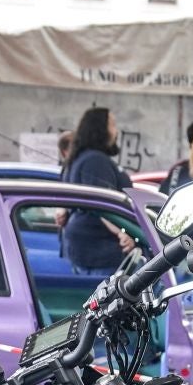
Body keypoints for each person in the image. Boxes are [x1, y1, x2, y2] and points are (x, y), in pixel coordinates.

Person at [60, 106, 137, 276]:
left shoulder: (79, 158)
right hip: (101, 249)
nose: (116, 131)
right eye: (112, 125)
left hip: (85, 247)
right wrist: (123, 233)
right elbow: (104, 205)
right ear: (100, 129)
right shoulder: (95, 160)